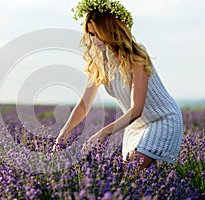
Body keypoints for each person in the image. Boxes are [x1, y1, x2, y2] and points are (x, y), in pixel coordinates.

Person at [53, 0, 183, 168]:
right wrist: (64, 132)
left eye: (100, 34)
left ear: (112, 31)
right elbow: (84, 105)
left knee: (133, 168)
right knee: (130, 178)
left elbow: (137, 109)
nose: (96, 40)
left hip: (162, 120)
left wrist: (103, 132)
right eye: (92, 34)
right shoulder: (98, 63)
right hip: (135, 127)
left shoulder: (136, 58)